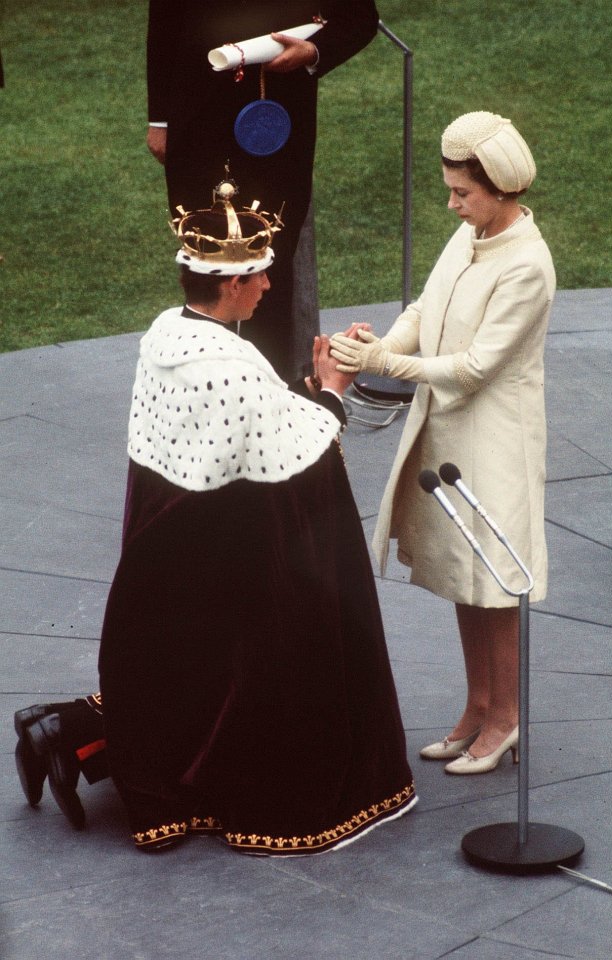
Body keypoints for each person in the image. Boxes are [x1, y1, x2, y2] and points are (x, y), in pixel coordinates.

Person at [15, 176, 416, 852]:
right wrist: (333, 393)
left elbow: (244, 429)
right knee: (242, 676)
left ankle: (61, 731)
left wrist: (307, 389)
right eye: (260, 276)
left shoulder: (165, 335)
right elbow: (290, 456)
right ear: (230, 284)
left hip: (169, 543)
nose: (266, 285)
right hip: (223, 549)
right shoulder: (230, 362)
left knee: (183, 670)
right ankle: (69, 735)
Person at [331, 111, 555, 775]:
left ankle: (506, 720)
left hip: (495, 438)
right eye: (450, 189)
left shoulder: (527, 266)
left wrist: (381, 365)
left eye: (461, 192)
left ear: (499, 190)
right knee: (463, 575)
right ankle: (477, 706)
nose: (451, 203)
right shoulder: (470, 233)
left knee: (492, 578)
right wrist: (379, 345)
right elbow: (424, 312)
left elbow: (475, 367)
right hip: (449, 427)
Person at [146, 1, 379, 381]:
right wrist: (159, 119)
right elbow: (165, 19)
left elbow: (359, 17)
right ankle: (199, 385)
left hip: (277, 120)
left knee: (270, 258)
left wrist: (315, 50)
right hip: (195, 117)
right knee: (204, 257)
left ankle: (270, 396)